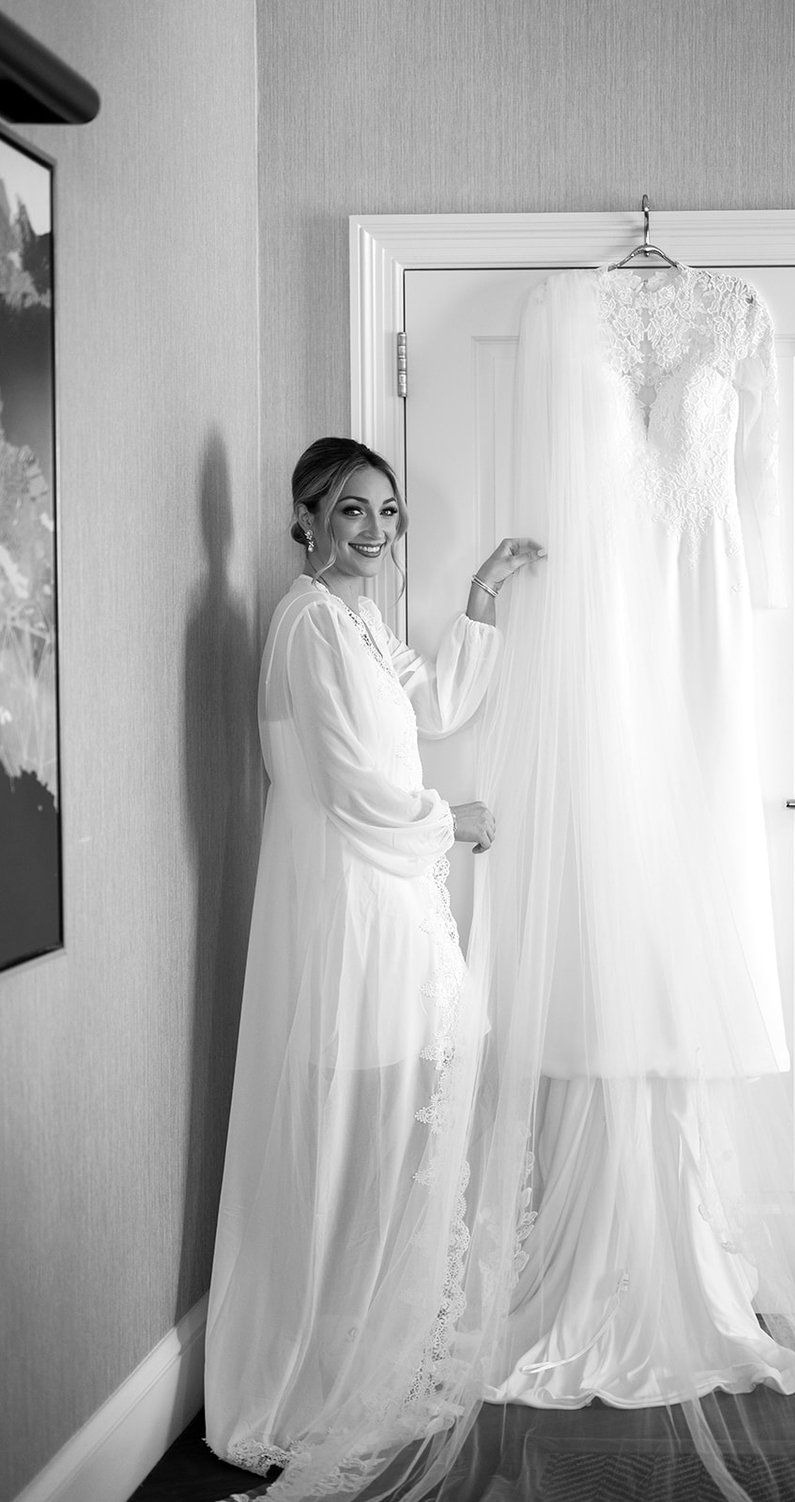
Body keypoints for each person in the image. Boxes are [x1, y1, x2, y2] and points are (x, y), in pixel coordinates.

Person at [204, 437, 544, 1500]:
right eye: (353, 510)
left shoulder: (354, 621)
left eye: (388, 513)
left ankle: (362, 1344)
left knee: (394, 1119)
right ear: (304, 517)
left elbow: (432, 704)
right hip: (348, 909)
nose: (376, 532)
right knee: (353, 1122)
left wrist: (482, 594)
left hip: (386, 901)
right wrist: (454, 819)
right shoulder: (308, 624)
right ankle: (316, 1367)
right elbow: (355, 786)